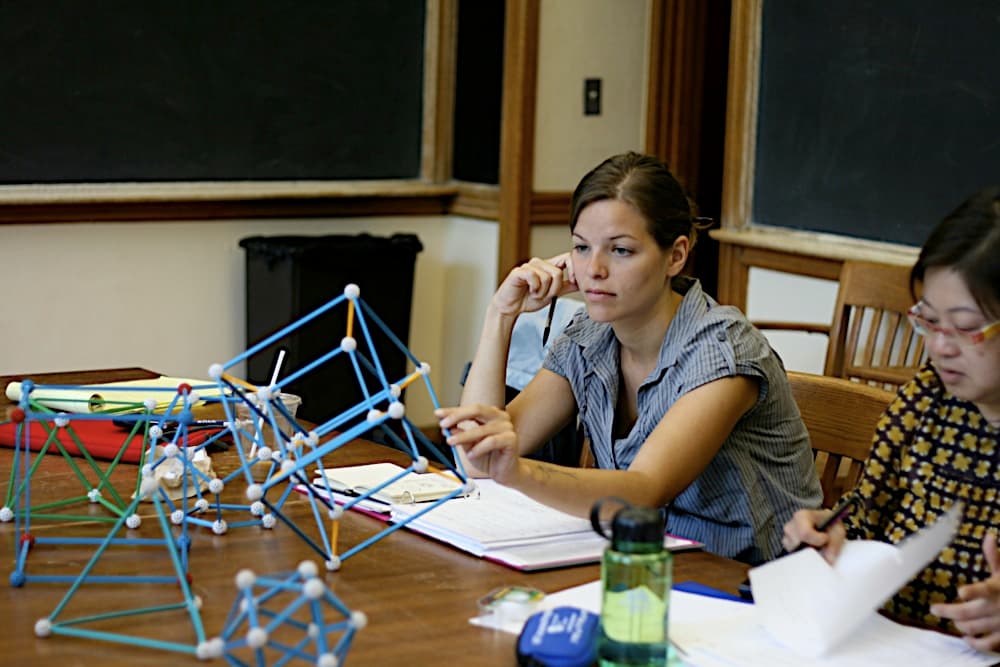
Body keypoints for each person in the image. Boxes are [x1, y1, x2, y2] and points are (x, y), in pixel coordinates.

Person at [436, 151, 821, 564]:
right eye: (582, 248)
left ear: (676, 256)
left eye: (620, 251)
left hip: (749, 582)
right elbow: (477, 460)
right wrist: (501, 313)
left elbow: (644, 489)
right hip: (646, 563)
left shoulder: (723, 349)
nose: (594, 269)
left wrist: (517, 472)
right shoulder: (589, 335)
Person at [782, 186, 1000, 650]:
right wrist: (829, 534)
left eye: (965, 327)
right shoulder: (926, 398)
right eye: (928, 320)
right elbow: (866, 515)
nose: (940, 346)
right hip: (886, 644)